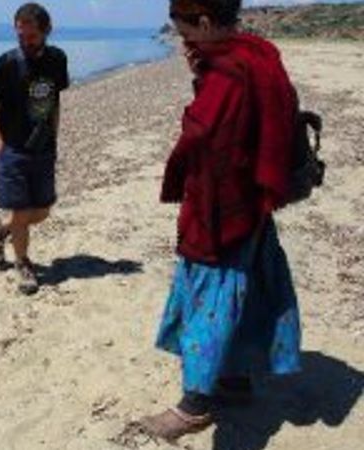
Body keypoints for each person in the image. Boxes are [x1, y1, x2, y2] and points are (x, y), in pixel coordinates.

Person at [139, 0, 303, 441]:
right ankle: (235, 379)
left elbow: (203, 133)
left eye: (185, 31)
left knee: (210, 298)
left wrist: (199, 85)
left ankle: (195, 405)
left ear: (207, 23)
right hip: (253, 200)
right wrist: (200, 73)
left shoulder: (227, 73)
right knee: (245, 287)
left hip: (224, 204)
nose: (183, 40)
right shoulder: (258, 52)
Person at [0, 2, 70, 295]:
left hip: (43, 148)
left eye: (31, 36)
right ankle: (23, 263)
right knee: (20, 211)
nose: (25, 41)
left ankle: (0, 230)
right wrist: (0, 147)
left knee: (42, 211)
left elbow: (54, 102)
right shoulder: (6, 63)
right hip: (13, 151)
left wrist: (55, 139)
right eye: (20, 35)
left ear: (47, 31)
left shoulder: (57, 59)